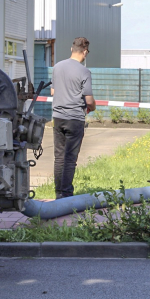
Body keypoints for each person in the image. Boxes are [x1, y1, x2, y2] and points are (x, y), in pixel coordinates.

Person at [50, 37, 97, 199]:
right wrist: (92, 107)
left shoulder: (57, 67)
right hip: (75, 119)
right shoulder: (84, 71)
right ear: (85, 52)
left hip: (58, 118)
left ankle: (58, 194)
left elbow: (53, 92)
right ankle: (67, 195)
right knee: (70, 159)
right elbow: (89, 99)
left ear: (71, 49)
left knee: (59, 158)